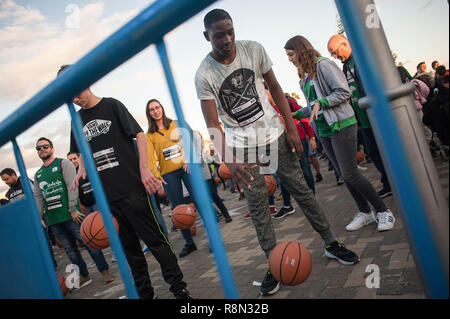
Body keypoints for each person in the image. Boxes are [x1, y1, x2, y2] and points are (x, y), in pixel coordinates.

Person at [195, 9, 359, 296]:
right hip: (243, 148)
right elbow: (212, 123)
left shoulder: (253, 49)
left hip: (275, 135)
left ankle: (331, 242)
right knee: (258, 207)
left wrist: (292, 128)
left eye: (230, 31)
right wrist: (229, 160)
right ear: (207, 36)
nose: (227, 39)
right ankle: (274, 263)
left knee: (301, 190)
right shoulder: (205, 73)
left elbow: (275, 86)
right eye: (219, 35)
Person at [60, 65, 191, 299]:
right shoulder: (76, 122)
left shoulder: (111, 105)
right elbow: (82, 153)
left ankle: (179, 290)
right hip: (108, 199)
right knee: (131, 253)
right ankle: (146, 295)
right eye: (68, 94)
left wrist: (144, 170)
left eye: (76, 91)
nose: (75, 98)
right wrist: (81, 168)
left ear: (86, 82)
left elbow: (139, 135)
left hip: (133, 189)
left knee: (157, 242)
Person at [285, 35, 395, 233]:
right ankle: (365, 212)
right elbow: (313, 106)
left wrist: (323, 102)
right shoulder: (304, 76)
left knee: (350, 172)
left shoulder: (323, 65)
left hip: (342, 124)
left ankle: (383, 210)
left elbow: (343, 92)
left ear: (301, 50)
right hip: (324, 129)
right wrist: (295, 113)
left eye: (291, 54)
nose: (289, 59)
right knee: (345, 176)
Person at [145, 99, 233, 258]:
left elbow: (192, 139)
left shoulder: (177, 123)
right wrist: (156, 176)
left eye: (158, 107)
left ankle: (214, 240)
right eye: (152, 109)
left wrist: (189, 158)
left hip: (187, 167)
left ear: (162, 108)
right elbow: (150, 158)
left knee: (200, 201)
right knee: (177, 209)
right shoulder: (149, 135)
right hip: (168, 173)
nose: (156, 111)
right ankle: (189, 243)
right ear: (149, 113)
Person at [33, 137, 113, 287]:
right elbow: (38, 196)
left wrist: (72, 208)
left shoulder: (64, 163)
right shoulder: (38, 174)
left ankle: (105, 271)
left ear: (52, 148)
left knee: (89, 242)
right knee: (70, 250)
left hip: (71, 215)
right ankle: (84, 275)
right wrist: (39, 216)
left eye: (45, 146)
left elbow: (72, 185)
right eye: (39, 148)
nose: (42, 150)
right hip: (53, 218)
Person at [327, 34, 392, 198]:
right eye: (332, 54)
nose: (335, 56)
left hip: (375, 116)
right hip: (363, 120)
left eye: (335, 52)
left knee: (386, 151)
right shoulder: (345, 65)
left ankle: (395, 181)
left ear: (344, 44)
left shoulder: (360, 58)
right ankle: (388, 182)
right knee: (374, 153)